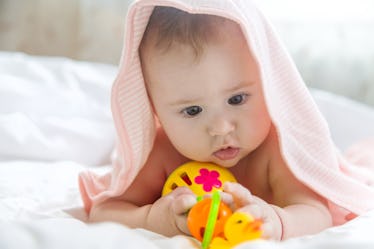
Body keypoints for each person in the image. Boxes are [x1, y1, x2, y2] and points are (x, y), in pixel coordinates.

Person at [79, 0, 374, 242]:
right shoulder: (163, 150)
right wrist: (152, 219)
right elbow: (106, 211)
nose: (221, 128)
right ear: (155, 110)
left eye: (237, 99)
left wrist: (277, 220)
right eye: (192, 110)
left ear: (268, 84)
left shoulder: (278, 146)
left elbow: (316, 211)